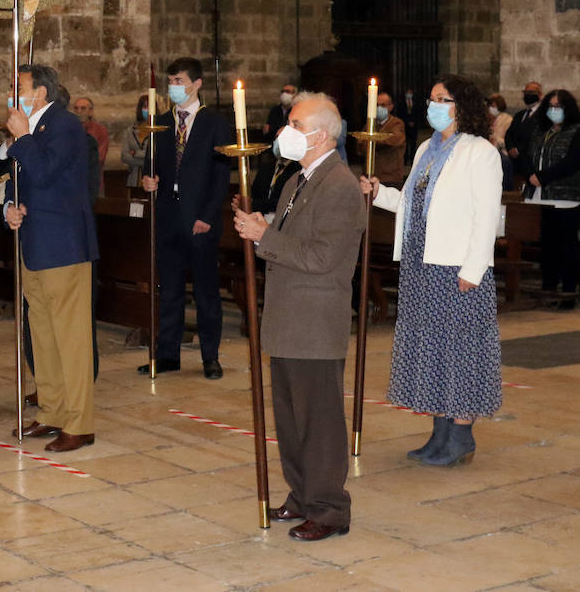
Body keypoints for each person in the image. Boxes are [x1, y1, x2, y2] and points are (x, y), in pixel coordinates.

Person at [233, 93, 364, 542]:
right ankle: (303, 495)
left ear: (321, 133)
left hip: (314, 321)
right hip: (288, 318)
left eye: (294, 123)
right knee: (289, 420)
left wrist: (265, 235)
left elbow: (323, 257)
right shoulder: (298, 180)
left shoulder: (341, 186)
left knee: (319, 422)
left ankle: (329, 509)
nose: (284, 131)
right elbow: (288, 238)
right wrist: (260, 225)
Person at [362, 74, 502, 467]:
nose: (434, 105)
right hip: (422, 266)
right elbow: (411, 202)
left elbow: (486, 215)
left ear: (462, 105)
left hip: (457, 267)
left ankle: (461, 437)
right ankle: (439, 435)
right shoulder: (426, 147)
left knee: (461, 351)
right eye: (432, 98)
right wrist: (378, 193)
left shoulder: (480, 152)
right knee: (432, 350)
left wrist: (473, 269)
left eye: (443, 99)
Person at [3, 64, 99, 453]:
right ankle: (53, 410)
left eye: (20, 86)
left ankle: (80, 422)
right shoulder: (28, 131)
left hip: (63, 245)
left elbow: (43, 173)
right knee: (41, 333)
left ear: (40, 92)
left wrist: (22, 136)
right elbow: (18, 176)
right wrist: (11, 205)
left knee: (71, 337)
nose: (14, 93)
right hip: (33, 242)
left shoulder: (64, 125)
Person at [140, 57, 233, 379]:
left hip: (199, 219)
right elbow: (151, 165)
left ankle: (210, 356)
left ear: (196, 84)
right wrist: (147, 180)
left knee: (206, 291)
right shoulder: (162, 122)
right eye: (171, 81)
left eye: (179, 81)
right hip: (168, 217)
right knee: (169, 289)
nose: (173, 87)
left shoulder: (214, 123)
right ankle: (168, 354)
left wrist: (207, 216)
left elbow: (222, 174)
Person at [527, 89, 580, 308]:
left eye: (558, 106)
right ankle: (549, 289)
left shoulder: (576, 131)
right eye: (550, 105)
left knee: (567, 246)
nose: (554, 110)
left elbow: (573, 161)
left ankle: (568, 292)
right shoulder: (542, 131)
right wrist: (532, 174)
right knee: (548, 246)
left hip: (566, 196)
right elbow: (530, 155)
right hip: (542, 196)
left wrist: (543, 176)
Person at [358, 90, 406, 187]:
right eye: (376, 105)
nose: (379, 108)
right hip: (370, 175)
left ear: (391, 107)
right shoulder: (370, 124)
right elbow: (360, 143)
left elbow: (394, 139)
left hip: (390, 178)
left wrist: (373, 138)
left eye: (383, 105)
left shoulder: (396, 123)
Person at [505, 81, 545, 186]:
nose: (527, 95)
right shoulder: (520, 115)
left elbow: (538, 137)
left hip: (531, 161)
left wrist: (518, 149)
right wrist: (510, 148)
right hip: (515, 163)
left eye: (531, 92)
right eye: (525, 92)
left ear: (540, 95)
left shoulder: (543, 115)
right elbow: (509, 134)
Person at [70, 96, 110, 191]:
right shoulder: (69, 129)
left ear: (91, 111)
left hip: (92, 183)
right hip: (72, 184)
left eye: (83, 108)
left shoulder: (100, 131)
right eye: (76, 108)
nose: (79, 111)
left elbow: (99, 158)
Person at [120, 95, 149, 187]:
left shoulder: (160, 130)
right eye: (145, 107)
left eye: (150, 107)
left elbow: (157, 155)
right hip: (134, 179)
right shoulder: (130, 131)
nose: (147, 110)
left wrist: (136, 153)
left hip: (153, 179)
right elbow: (124, 156)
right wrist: (147, 160)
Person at [398, 88, 421, 166]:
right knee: (406, 145)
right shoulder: (401, 103)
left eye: (410, 93)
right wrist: (407, 122)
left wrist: (414, 122)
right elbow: (400, 114)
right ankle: (404, 161)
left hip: (414, 128)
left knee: (413, 144)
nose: (409, 94)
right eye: (408, 93)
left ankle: (412, 161)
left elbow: (418, 114)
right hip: (405, 127)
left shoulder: (415, 102)